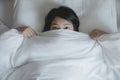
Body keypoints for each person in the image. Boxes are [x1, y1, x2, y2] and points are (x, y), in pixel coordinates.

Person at [16, 6, 108, 39]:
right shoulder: (35, 39)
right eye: (55, 27)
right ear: (48, 28)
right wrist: (18, 31)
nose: (61, 32)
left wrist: (105, 36)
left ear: (75, 28)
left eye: (66, 28)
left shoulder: (87, 41)